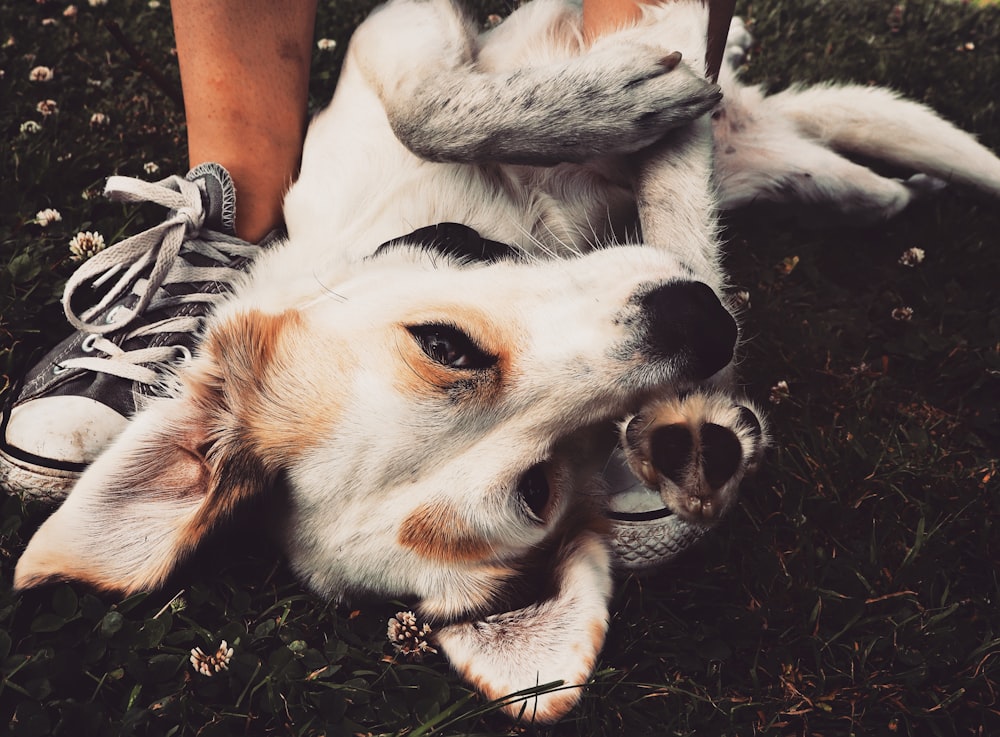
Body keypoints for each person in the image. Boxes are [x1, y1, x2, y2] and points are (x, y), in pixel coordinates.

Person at [0, 0, 734, 498]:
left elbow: (408, 20)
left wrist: (455, 116)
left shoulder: (342, 193)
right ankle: (230, 217)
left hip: (471, 99)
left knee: (653, 66)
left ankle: (680, 316)